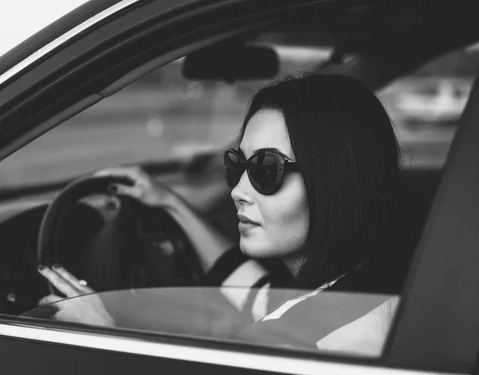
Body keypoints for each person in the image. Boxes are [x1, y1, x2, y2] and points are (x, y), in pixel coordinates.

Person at [37, 73, 405, 355]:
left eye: (266, 169)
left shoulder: (286, 343)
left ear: (335, 180)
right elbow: (258, 293)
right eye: (237, 165)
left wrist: (103, 336)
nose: (238, 190)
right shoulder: (365, 286)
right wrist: (168, 202)